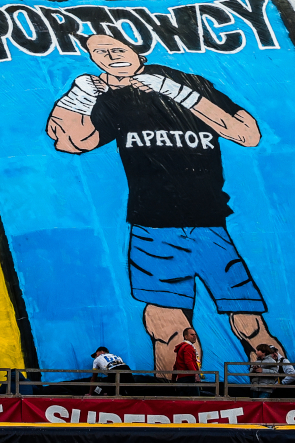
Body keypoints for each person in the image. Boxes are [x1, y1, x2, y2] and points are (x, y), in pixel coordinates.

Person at [47, 31, 275, 370]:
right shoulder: (111, 97)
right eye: (99, 52)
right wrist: (78, 96)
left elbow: (247, 133)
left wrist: (179, 94)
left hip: (209, 224)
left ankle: (281, 381)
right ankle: (176, 392)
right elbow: (70, 142)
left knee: (249, 322)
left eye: (116, 48)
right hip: (153, 228)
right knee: (164, 323)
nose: (109, 56)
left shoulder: (188, 82)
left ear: (139, 52)